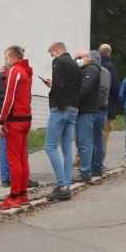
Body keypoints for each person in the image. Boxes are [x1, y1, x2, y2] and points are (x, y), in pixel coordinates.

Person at [0, 46, 34, 211]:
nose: (5, 61)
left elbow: (8, 97)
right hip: (26, 118)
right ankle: (23, 193)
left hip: (15, 120)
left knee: (14, 159)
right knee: (22, 157)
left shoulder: (14, 71)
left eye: (6, 58)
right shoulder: (27, 71)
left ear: (11, 57)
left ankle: (15, 195)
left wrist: (1, 120)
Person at [43, 42, 81, 202]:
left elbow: (59, 87)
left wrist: (57, 105)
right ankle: (66, 185)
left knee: (50, 146)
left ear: (57, 50)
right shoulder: (74, 64)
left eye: (52, 54)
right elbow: (72, 86)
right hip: (74, 108)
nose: (52, 57)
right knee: (67, 149)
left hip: (61, 109)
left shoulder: (58, 62)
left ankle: (62, 186)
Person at [74, 50, 101, 182]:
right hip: (81, 110)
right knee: (81, 142)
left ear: (88, 58)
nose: (77, 60)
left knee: (85, 142)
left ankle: (86, 172)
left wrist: (71, 100)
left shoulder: (91, 70)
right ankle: (86, 169)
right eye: (75, 58)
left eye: (79, 57)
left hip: (86, 110)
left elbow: (84, 89)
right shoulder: (83, 70)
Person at [90, 51, 110, 175]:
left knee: (93, 140)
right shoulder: (106, 72)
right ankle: (97, 166)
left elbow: (101, 92)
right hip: (103, 109)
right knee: (98, 139)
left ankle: (95, 167)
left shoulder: (95, 71)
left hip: (95, 109)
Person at [99, 44, 120, 156]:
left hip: (91, 107)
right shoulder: (110, 67)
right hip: (107, 106)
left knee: (89, 136)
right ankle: (99, 163)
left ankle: (80, 160)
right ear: (109, 53)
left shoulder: (93, 65)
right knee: (103, 136)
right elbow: (115, 88)